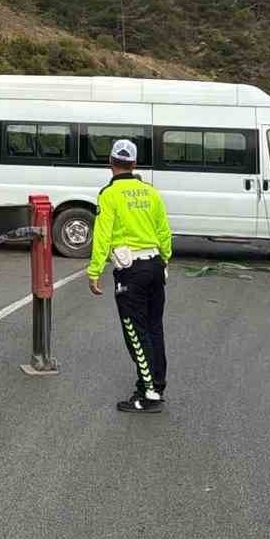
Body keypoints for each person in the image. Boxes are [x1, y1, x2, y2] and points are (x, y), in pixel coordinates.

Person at [86, 139, 173, 413]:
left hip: (130, 271)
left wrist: (94, 270)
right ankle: (157, 384)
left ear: (110, 163)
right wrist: (165, 258)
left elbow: (102, 235)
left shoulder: (109, 195)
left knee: (135, 333)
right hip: (155, 265)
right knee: (154, 328)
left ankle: (147, 395)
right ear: (134, 164)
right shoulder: (151, 193)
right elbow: (164, 231)